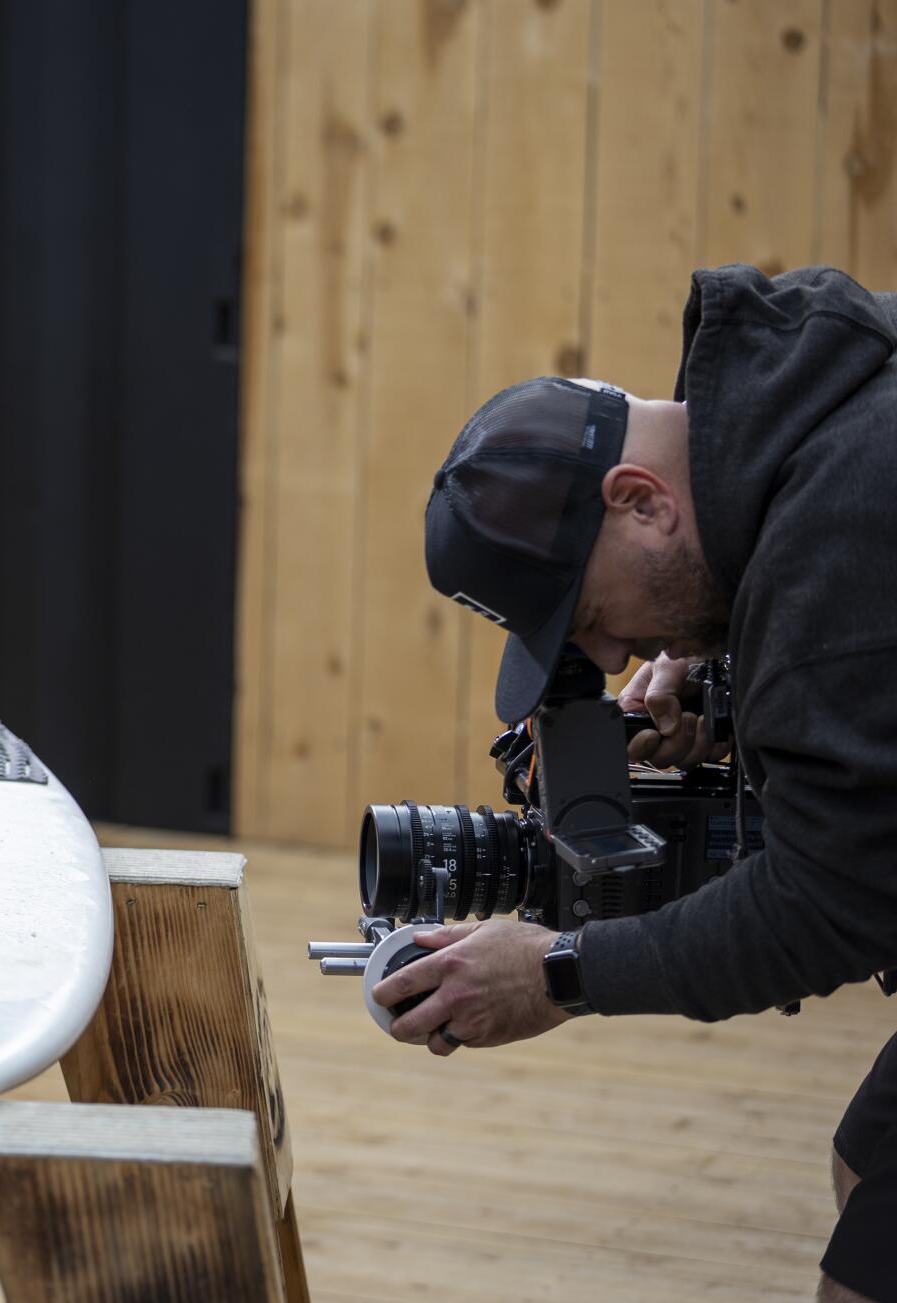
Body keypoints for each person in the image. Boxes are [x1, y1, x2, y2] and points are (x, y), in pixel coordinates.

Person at [372, 264, 897, 1302]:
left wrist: (560, 972)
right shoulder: (813, 397)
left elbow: (830, 903)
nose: (614, 656)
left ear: (639, 499)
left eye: (591, 618)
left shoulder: (838, 529)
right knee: (863, 1164)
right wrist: (731, 691)